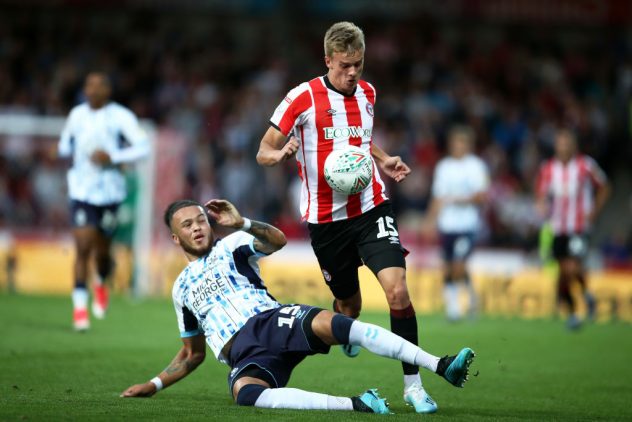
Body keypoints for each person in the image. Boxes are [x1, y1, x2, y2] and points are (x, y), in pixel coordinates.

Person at [120, 198, 475, 414]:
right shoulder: (180, 289)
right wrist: (154, 384)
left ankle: (439, 365)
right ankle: (357, 404)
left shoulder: (233, 244)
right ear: (175, 237)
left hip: (270, 321)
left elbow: (277, 240)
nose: (197, 228)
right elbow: (191, 353)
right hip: (243, 354)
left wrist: (241, 221)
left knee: (341, 327)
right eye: (187, 225)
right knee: (247, 395)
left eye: (200, 220)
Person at [255, 21, 433, 411]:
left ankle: (413, 385)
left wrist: (384, 161)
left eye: (359, 64)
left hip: (371, 207)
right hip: (326, 222)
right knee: (348, 306)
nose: (353, 73)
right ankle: (346, 327)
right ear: (328, 60)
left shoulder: (368, 92)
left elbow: (361, 142)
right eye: (345, 65)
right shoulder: (300, 98)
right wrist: (280, 154)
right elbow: (262, 151)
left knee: (397, 290)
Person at [58, 72, 149, 331]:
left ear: (108, 90)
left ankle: (100, 281)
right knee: (82, 245)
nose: (92, 90)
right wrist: (59, 150)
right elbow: (66, 144)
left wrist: (114, 156)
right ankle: (79, 310)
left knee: (102, 251)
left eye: (98, 86)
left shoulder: (121, 116)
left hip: (110, 192)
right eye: (88, 85)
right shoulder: (76, 115)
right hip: (81, 191)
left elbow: (143, 147)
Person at [535, 128, 610, 329]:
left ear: (573, 145)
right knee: (563, 271)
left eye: (566, 143)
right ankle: (577, 307)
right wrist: (541, 205)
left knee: (572, 266)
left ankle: (579, 304)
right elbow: (541, 193)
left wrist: (594, 211)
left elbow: (604, 187)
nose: (563, 147)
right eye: (560, 143)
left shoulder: (585, 165)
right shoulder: (548, 168)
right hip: (558, 227)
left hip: (578, 226)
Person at [423, 126, 489, 321]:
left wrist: (458, 199)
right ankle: (455, 305)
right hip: (447, 224)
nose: (457, 146)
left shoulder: (476, 166)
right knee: (448, 265)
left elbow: (481, 196)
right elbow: (437, 197)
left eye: (461, 143)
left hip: (467, 224)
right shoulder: (444, 166)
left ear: (468, 145)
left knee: (459, 264)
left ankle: (463, 302)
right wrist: (430, 221)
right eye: (454, 143)